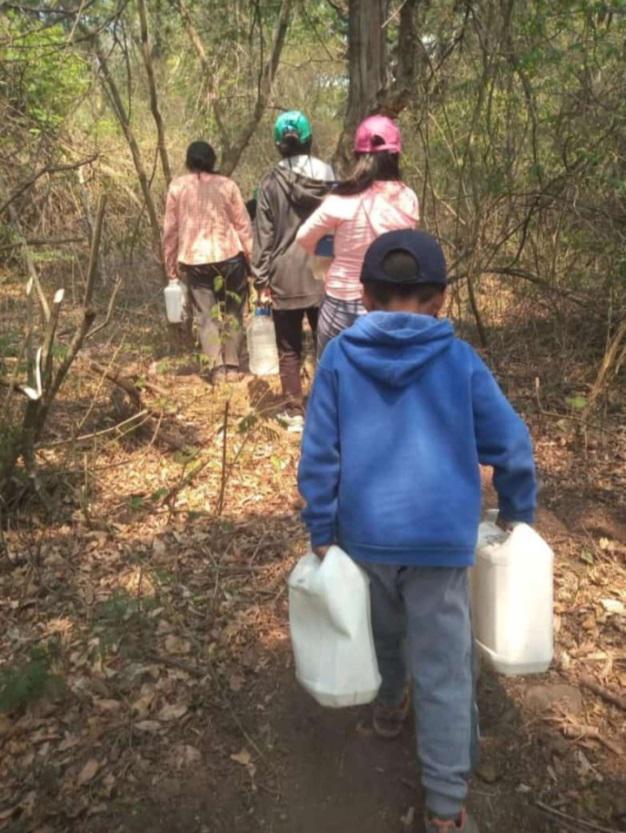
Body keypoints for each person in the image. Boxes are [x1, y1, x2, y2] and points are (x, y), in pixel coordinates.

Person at [298, 229, 537, 833]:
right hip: (440, 544)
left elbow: (319, 454)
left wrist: (321, 528)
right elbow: (512, 445)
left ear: (366, 298)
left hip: (365, 536)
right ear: (442, 299)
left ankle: (385, 708)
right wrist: (517, 513)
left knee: (381, 630)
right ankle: (445, 806)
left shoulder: (339, 359)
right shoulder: (459, 361)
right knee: (445, 669)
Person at [296, 114, 419, 357]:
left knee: (333, 380)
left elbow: (304, 237)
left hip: (341, 301)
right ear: (395, 155)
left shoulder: (341, 198)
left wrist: (333, 251)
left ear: (357, 156)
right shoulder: (408, 198)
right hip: (390, 302)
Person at [252, 111, 334, 432]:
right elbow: (334, 226)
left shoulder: (270, 182)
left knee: (289, 350)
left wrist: (261, 281)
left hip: (283, 277)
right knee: (326, 344)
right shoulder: (328, 175)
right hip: (322, 273)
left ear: (278, 145)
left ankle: (294, 412)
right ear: (309, 140)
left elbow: (264, 236)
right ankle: (329, 408)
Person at [163, 140, 253, 384]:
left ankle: (216, 369)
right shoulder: (227, 185)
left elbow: (170, 230)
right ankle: (233, 367)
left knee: (206, 316)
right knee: (234, 312)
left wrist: (171, 267)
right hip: (231, 258)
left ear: (188, 162)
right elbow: (243, 225)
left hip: (196, 261)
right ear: (212, 161)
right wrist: (252, 259)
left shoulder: (178, 187)